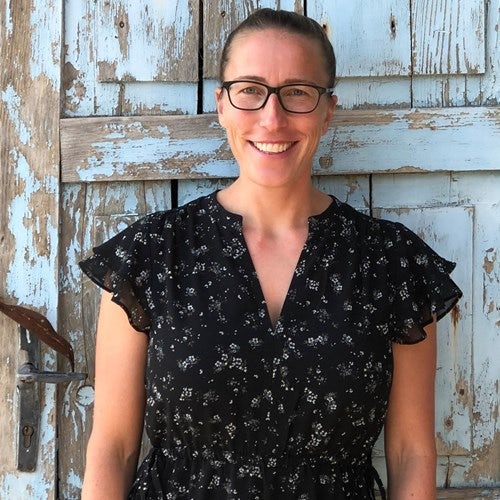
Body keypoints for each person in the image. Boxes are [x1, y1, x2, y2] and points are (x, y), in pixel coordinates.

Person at [80, 8, 462, 500]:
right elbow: (112, 448)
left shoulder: (391, 263)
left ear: (328, 109)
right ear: (221, 104)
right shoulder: (152, 254)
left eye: (297, 92)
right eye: (250, 90)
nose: (272, 118)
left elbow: (411, 452)